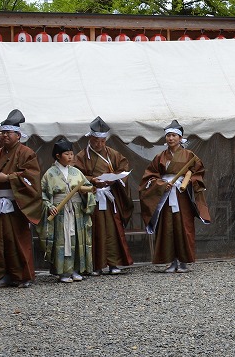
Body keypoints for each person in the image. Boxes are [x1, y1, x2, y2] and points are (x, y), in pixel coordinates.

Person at [0, 110, 44, 289]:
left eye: (9, 133)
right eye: (2, 132)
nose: (5, 136)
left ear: (18, 135)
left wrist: (9, 178)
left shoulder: (27, 153)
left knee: (17, 241)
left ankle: (21, 276)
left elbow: (32, 176)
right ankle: (0, 275)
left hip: (17, 205)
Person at [140, 120, 210, 273]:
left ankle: (183, 262)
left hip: (182, 196)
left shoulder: (189, 155)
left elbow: (198, 173)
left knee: (184, 227)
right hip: (166, 195)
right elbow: (149, 177)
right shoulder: (160, 157)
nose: (170, 138)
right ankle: (172, 262)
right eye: (168, 136)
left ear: (180, 138)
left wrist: (187, 181)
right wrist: (161, 184)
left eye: (173, 135)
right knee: (167, 227)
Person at [74, 117, 134, 275]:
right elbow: (76, 175)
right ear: (90, 138)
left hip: (108, 196)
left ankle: (114, 263)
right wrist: (92, 180)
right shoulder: (81, 156)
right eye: (96, 140)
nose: (99, 144)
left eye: (102, 141)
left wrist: (114, 178)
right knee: (96, 229)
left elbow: (123, 167)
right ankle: (97, 265)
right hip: (92, 197)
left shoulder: (112, 154)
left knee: (113, 229)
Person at [39, 140, 97, 283]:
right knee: (63, 240)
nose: (71, 156)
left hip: (76, 210)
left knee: (77, 239)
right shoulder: (50, 174)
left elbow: (88, 187)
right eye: (67, 154)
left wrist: (85, 193)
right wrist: (49, 206)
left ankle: (76, 269)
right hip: (60, 211)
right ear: (58, 156)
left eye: (72, 154)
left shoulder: (76, 172)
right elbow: (43, 194)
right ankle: (64, 272)